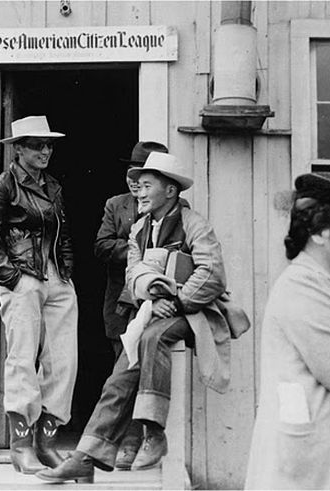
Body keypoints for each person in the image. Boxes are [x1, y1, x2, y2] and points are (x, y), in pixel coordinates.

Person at [36, 152, 238, 483]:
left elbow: (213, 273)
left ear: (170, 191)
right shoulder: (140, 228)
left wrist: (177, 300)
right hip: (153, 312)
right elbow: (132, 273)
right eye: (139, 187)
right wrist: (154, 295)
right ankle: (86, 455)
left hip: (197, 312)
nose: (139, 193)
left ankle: (153, 432)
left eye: (147, 186)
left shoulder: (194, 224)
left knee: (152, 337)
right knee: (120, 374)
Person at [245, 173, 330, 490]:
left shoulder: (324, 283)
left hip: (324, 460)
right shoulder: (303, 285)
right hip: (309, 468)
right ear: (320, 232)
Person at [0, 115, 78, 474]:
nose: (45, 151)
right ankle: (21, 446)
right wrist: (14, 278)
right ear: (18, 149)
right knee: (22, 358)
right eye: (37, 145)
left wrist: (66, 273)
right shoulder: (0, 186)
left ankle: (47, 440)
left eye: (48, 145)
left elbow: (62, 235)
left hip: (56, 280)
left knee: (63, 360)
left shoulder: (53, 186)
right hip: (24, 278)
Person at [93, 141, 168, 469]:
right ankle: (119, 442)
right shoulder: (116, 205)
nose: (136, 182)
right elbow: (101, 246)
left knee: (143, 373)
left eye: (144, 177)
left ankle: (136, 443)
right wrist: (135, 250)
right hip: (121, 303)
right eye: (131, 174)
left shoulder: (172, 209)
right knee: (120, 372)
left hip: (154, 304)